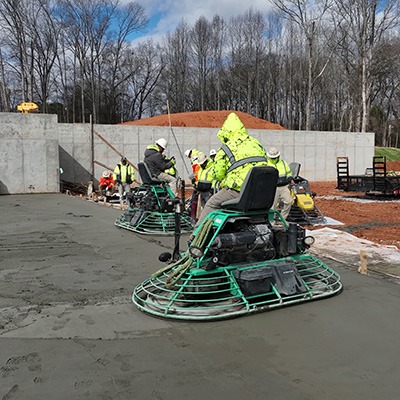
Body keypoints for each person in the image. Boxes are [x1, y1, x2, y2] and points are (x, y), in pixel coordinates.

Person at [194, 112, 268, 229]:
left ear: (226, 132)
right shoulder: (256, 143)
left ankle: (196, 235)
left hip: (238, 191)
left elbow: (218, 174)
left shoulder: (226, 148)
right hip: (261, 192)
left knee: (212, 203)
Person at [266, 147, 295, 221]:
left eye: (275, 157)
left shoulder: (283, 163)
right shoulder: (266, 164)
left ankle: (282, 219)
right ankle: (271, 222)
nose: (274, 159)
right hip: (273, 188)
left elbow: (288, 172)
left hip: (284, 186)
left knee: (288, 201)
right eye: (272, 158)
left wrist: (290, 178)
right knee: (272, 206)